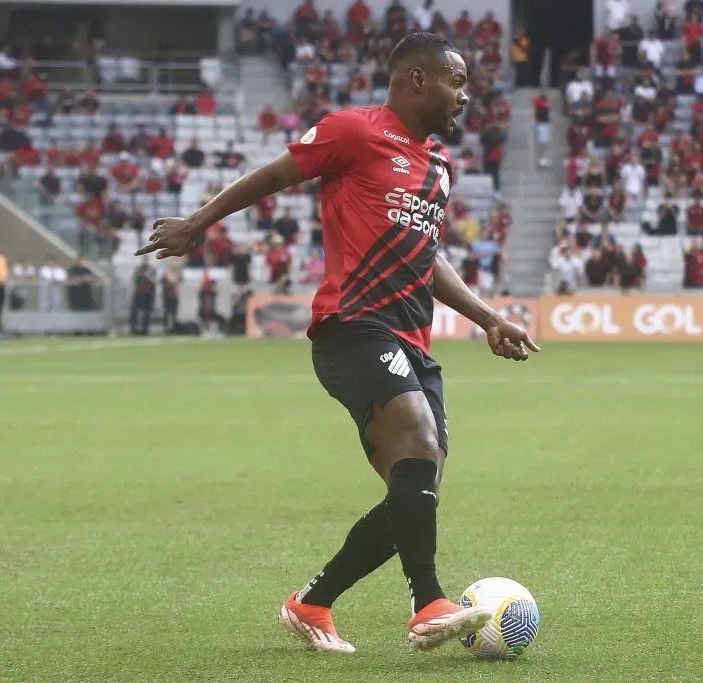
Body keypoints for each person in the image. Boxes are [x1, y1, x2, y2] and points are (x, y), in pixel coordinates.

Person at [135, 32, 538, 654]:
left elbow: (425, 256)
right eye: (456, 82)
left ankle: (312, 603)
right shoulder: (355, 131)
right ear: (417, 79)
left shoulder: (438, 166)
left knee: (416, 487)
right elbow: (272, 176)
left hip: (412, 338)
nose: (465, 96)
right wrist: (196, 224)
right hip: (352, 326)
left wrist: (488, 317)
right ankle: (429, 603)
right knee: (418, 443)